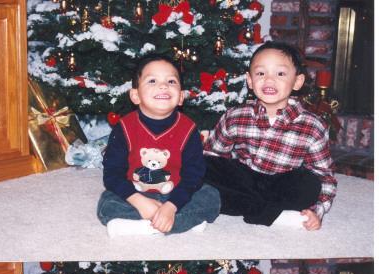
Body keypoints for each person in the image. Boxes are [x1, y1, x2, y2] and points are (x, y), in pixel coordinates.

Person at [203, 41, 337, 230]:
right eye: (260, 73)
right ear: (250, 80)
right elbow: (214, 155)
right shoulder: (234, 116)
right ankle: (270, 213)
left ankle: (246, 206)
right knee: (203, 166)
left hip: (281, 184)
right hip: (244, 180)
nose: (269, 80)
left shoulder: (313, 126)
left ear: (297, 82)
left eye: (280, 74)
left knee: (310, 185)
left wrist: (318, 210)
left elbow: (324, 176)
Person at [97, 54, 220, 237]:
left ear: (181, 97)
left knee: (211, 197)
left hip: (176, 195)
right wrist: (138, 201)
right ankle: (180, 222)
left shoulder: (188, 129)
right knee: (106, 204)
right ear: (135, 96)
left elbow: (193, 175)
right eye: (152, 81)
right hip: (135, 193)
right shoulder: (124, 127)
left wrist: (171, 206)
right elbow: (112, 174)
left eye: (171, 81)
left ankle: (150, 225)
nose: (163, 86)